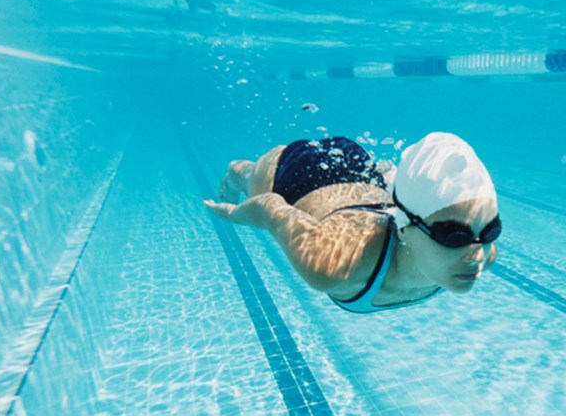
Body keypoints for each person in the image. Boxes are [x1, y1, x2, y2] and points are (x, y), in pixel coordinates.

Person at [204, 133, 501, 313]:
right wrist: (233, 215)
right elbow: (271, 208)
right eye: (453, 236)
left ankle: (389, 179)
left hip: (362, 173)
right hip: (301, 177)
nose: (478, 255)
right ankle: (238, 172)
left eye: (490, 231)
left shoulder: (484, 252)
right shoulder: (334, 264)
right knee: (250, 177)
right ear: (405, 225)